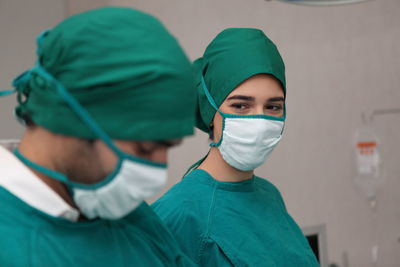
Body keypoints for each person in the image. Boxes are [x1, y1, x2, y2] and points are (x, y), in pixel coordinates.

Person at [0, 7, 197, 266]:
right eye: (145, 148)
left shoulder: (129, 217)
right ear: (72, 119)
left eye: (169, 146)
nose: (158, 171)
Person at [152, 28, 319, 266]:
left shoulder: (269, 195)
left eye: (273, 107)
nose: (259, 122)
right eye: (241, 106)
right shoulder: (175, 215)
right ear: (211, 111)